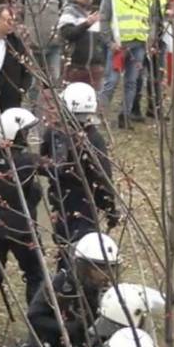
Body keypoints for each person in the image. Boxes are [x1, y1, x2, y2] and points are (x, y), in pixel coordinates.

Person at [0, 108, 48, 345]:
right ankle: (37, 331)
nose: (28, 134)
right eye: (25, 131)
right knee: (35, 275)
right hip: (22, 227)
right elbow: (34, 194)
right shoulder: (26, 162)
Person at [42, 82, 119, 250]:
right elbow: (102, 176)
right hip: (85, 204)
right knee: (81, 251)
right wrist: (110, 208)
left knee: (65, 248)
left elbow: (44, 161)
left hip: (60, 199)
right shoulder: (93, 139)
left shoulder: (53, 133)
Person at [25, 232, 120, 347]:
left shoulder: (106, 293)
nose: (106, 275)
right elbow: (34, 317)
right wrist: (68, 328)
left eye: (110, 268)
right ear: (83, 267)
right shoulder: (59, 284)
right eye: (100, 268)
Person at [98, 0, 152, 128]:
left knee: (132, 81)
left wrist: (150, 39)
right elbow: (104, 17)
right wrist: (109, 41)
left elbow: (153, 17)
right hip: (119, 44)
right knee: (111, 81)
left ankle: (125, 116)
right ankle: (99, 115)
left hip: (139, 43)